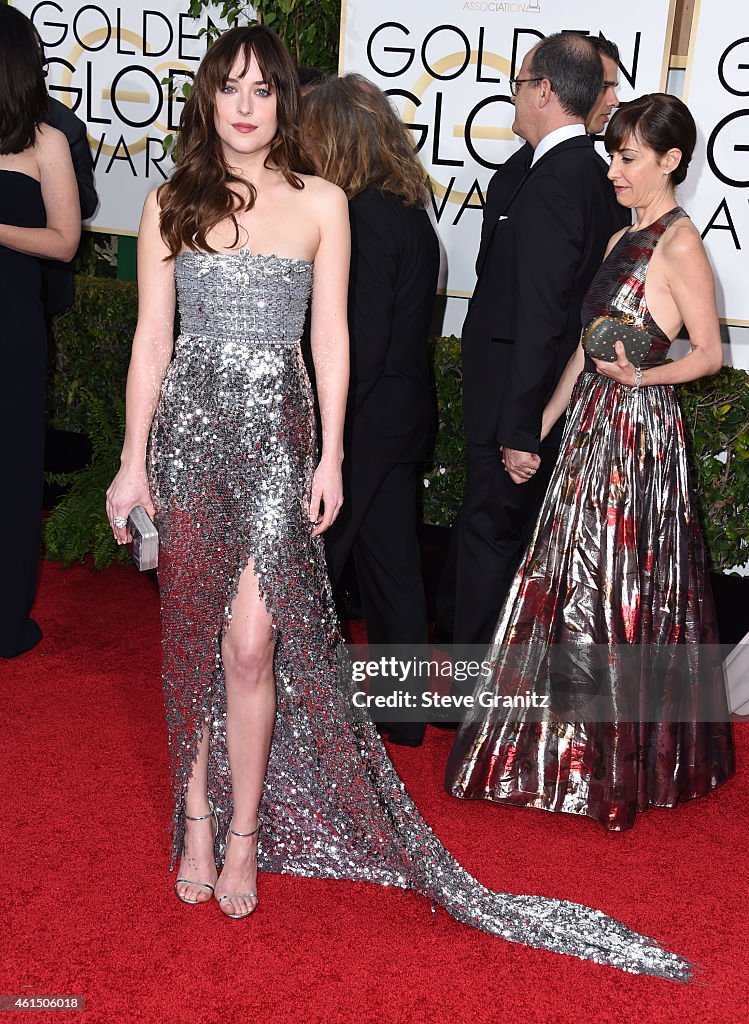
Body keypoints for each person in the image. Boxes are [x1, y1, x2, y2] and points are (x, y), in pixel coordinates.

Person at [105, 25, 687, 978]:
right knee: (195, 642)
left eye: (263, 91)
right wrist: (132, 461)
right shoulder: (170, 202)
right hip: (188, 444)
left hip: (280, 441)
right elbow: (149, 344)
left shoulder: (323, 203)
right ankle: (199, 820)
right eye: (230, 91)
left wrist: (332, 453)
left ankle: (246, 833)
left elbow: (332, 340)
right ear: (208, 103)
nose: (246, 107)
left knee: (253, 644)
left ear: (285, 105)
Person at [445, 93, 735, 830]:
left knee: (620, 586)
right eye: (611, 153)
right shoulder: (616, 243)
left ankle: (612, 758)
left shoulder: (679, 245)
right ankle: (555, 748)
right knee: (564, 580)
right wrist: (537, 427)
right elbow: (582, 348)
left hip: (639, 439)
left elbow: (707, 355)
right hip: (587, 432)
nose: (612, 168)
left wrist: (640, 378)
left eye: (627, 156)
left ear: (669, 162)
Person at [434, 35, 627, 645]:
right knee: (495, 535)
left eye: (519, 84)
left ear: (544, 91)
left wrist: (522, 429)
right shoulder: (567, 172)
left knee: (492, 537)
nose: (513, 96)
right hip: (533, 399)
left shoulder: (559, 182)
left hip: (521, 407)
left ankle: (473, 698)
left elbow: (544, 318)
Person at [301, 74, 440, 748]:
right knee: (390, 566)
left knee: (312, 560)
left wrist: (322, 431)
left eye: (307, 133)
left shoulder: (357, 216)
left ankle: (289, 706)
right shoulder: (408, 209)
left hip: (360, 421)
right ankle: (402, 713)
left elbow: (361, 340)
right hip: (402, 415)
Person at [0, 5, 80, 658]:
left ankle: (5, 619)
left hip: (12, 331)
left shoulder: (45, 140)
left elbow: (63, 242)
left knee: (14, 470)